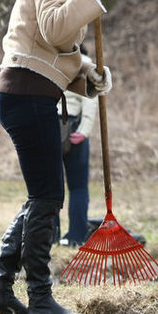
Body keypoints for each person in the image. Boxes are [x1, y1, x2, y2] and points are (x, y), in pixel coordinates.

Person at [0, 0, 129, 314]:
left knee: (40, 195)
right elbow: (55, 27)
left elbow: (53, 48)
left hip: (31, 91)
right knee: (47, 197)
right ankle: (40, 298)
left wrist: (86, 73)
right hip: (26, 94)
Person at [57, 48, 99, 247]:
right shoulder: (83, 62)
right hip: (73, 125)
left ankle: (50, 236)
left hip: (49, 124)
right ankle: (76, 236)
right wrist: (84, 129)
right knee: (78, 186)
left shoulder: (45, 58)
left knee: (48, 189)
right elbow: (90, 98)